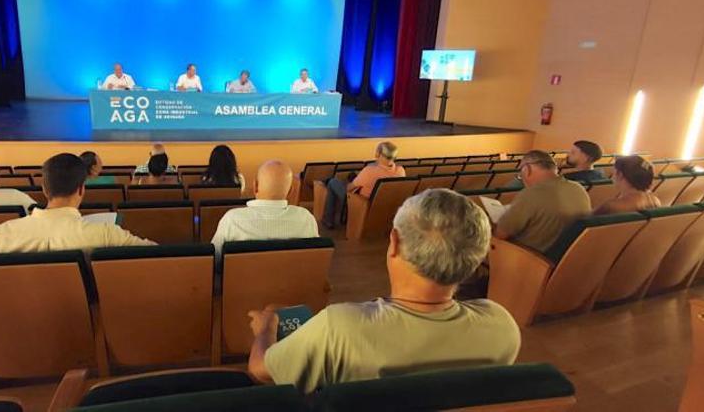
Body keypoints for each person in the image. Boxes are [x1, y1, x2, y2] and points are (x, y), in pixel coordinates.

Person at [247, 189, 520, 393]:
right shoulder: (502, 327)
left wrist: (266, 329)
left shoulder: (339, 329)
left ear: (394, 243)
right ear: (476, 258)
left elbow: (262, 371)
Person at [0, 153, 154, 253]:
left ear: (45, 189)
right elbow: (156, 253)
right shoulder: (106, 234)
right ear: (81, 190)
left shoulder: (3, 233)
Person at [211, 160, 318, 257]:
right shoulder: (307, 219)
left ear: (255, 186)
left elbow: (215, 258)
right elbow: (316, 257)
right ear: (290, 192)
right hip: (292, 278)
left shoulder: (232, 220)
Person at [495, 150, 591, 253]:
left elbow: (500, 234)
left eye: (520, 172)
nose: (521, 177)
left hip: (530, 259)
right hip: (565, 257)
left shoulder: (531, 194)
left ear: (527, 169)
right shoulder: (578, 188)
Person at [321, 142, 405, 229]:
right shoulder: (401, 171)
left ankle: (328, 221)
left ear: (378, 154)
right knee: (352, 177)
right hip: (385, 206)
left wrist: (350, 183)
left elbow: (348, 189)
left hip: (361, 204)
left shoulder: (369, 171)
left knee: (332, 182)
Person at [593, 155, 661, 215]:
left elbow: (585, 224)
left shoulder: (612, 206)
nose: (612, 176)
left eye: (614, 172)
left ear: (620, 174)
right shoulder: (655, 201)